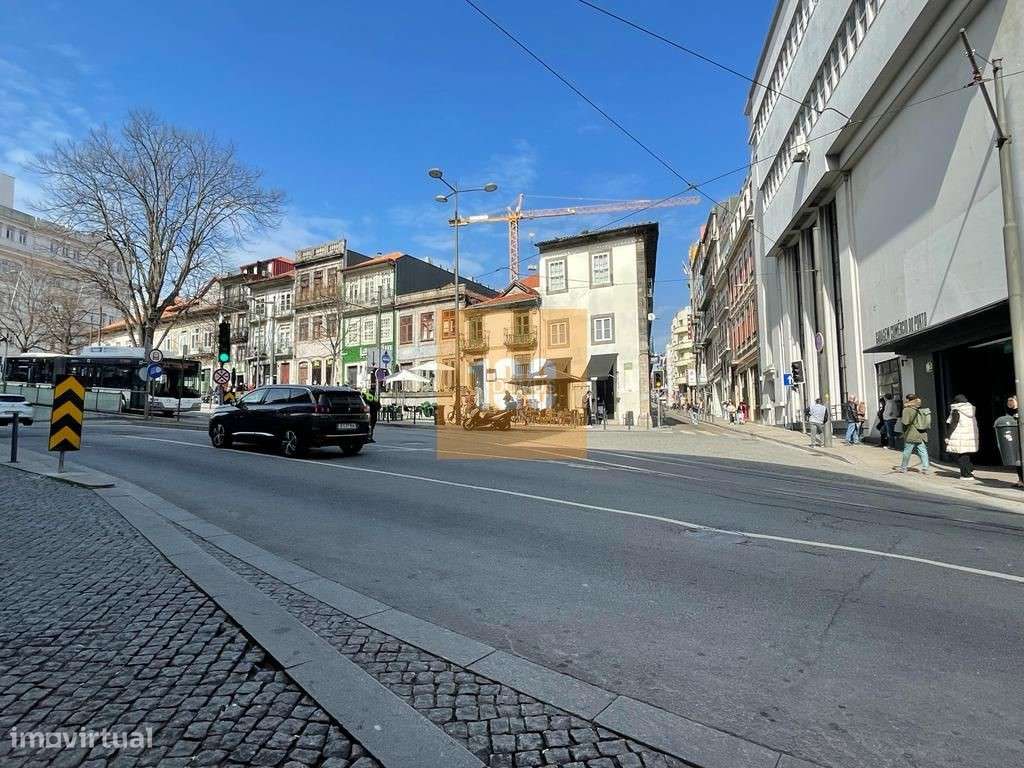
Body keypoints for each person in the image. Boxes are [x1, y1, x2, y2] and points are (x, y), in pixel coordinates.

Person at [945, 394, 979, 479]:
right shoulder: (971, 409)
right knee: (966, 454)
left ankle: (966, 475)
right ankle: (970, 470)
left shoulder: (957, 410)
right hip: (969, 435)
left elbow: (953, 424)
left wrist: (947, 436)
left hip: (960, 435)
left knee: (961, 456)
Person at [897, 393, 931, 473]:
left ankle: (903, 467)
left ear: (908, 400)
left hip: (911, 433)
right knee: (922, 450)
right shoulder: (920, 408)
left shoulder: (907, 409)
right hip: (921, 433)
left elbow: (905, 422)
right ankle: (925, 468)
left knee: (907, 451)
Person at [1007, 396, 1023, 487]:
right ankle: (1021, 480)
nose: (1010, 403)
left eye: (1012, 401)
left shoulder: (1020, 410)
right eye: (1008, 401)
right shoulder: (1010, 411)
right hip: (1015, 437)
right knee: (1018, 460)